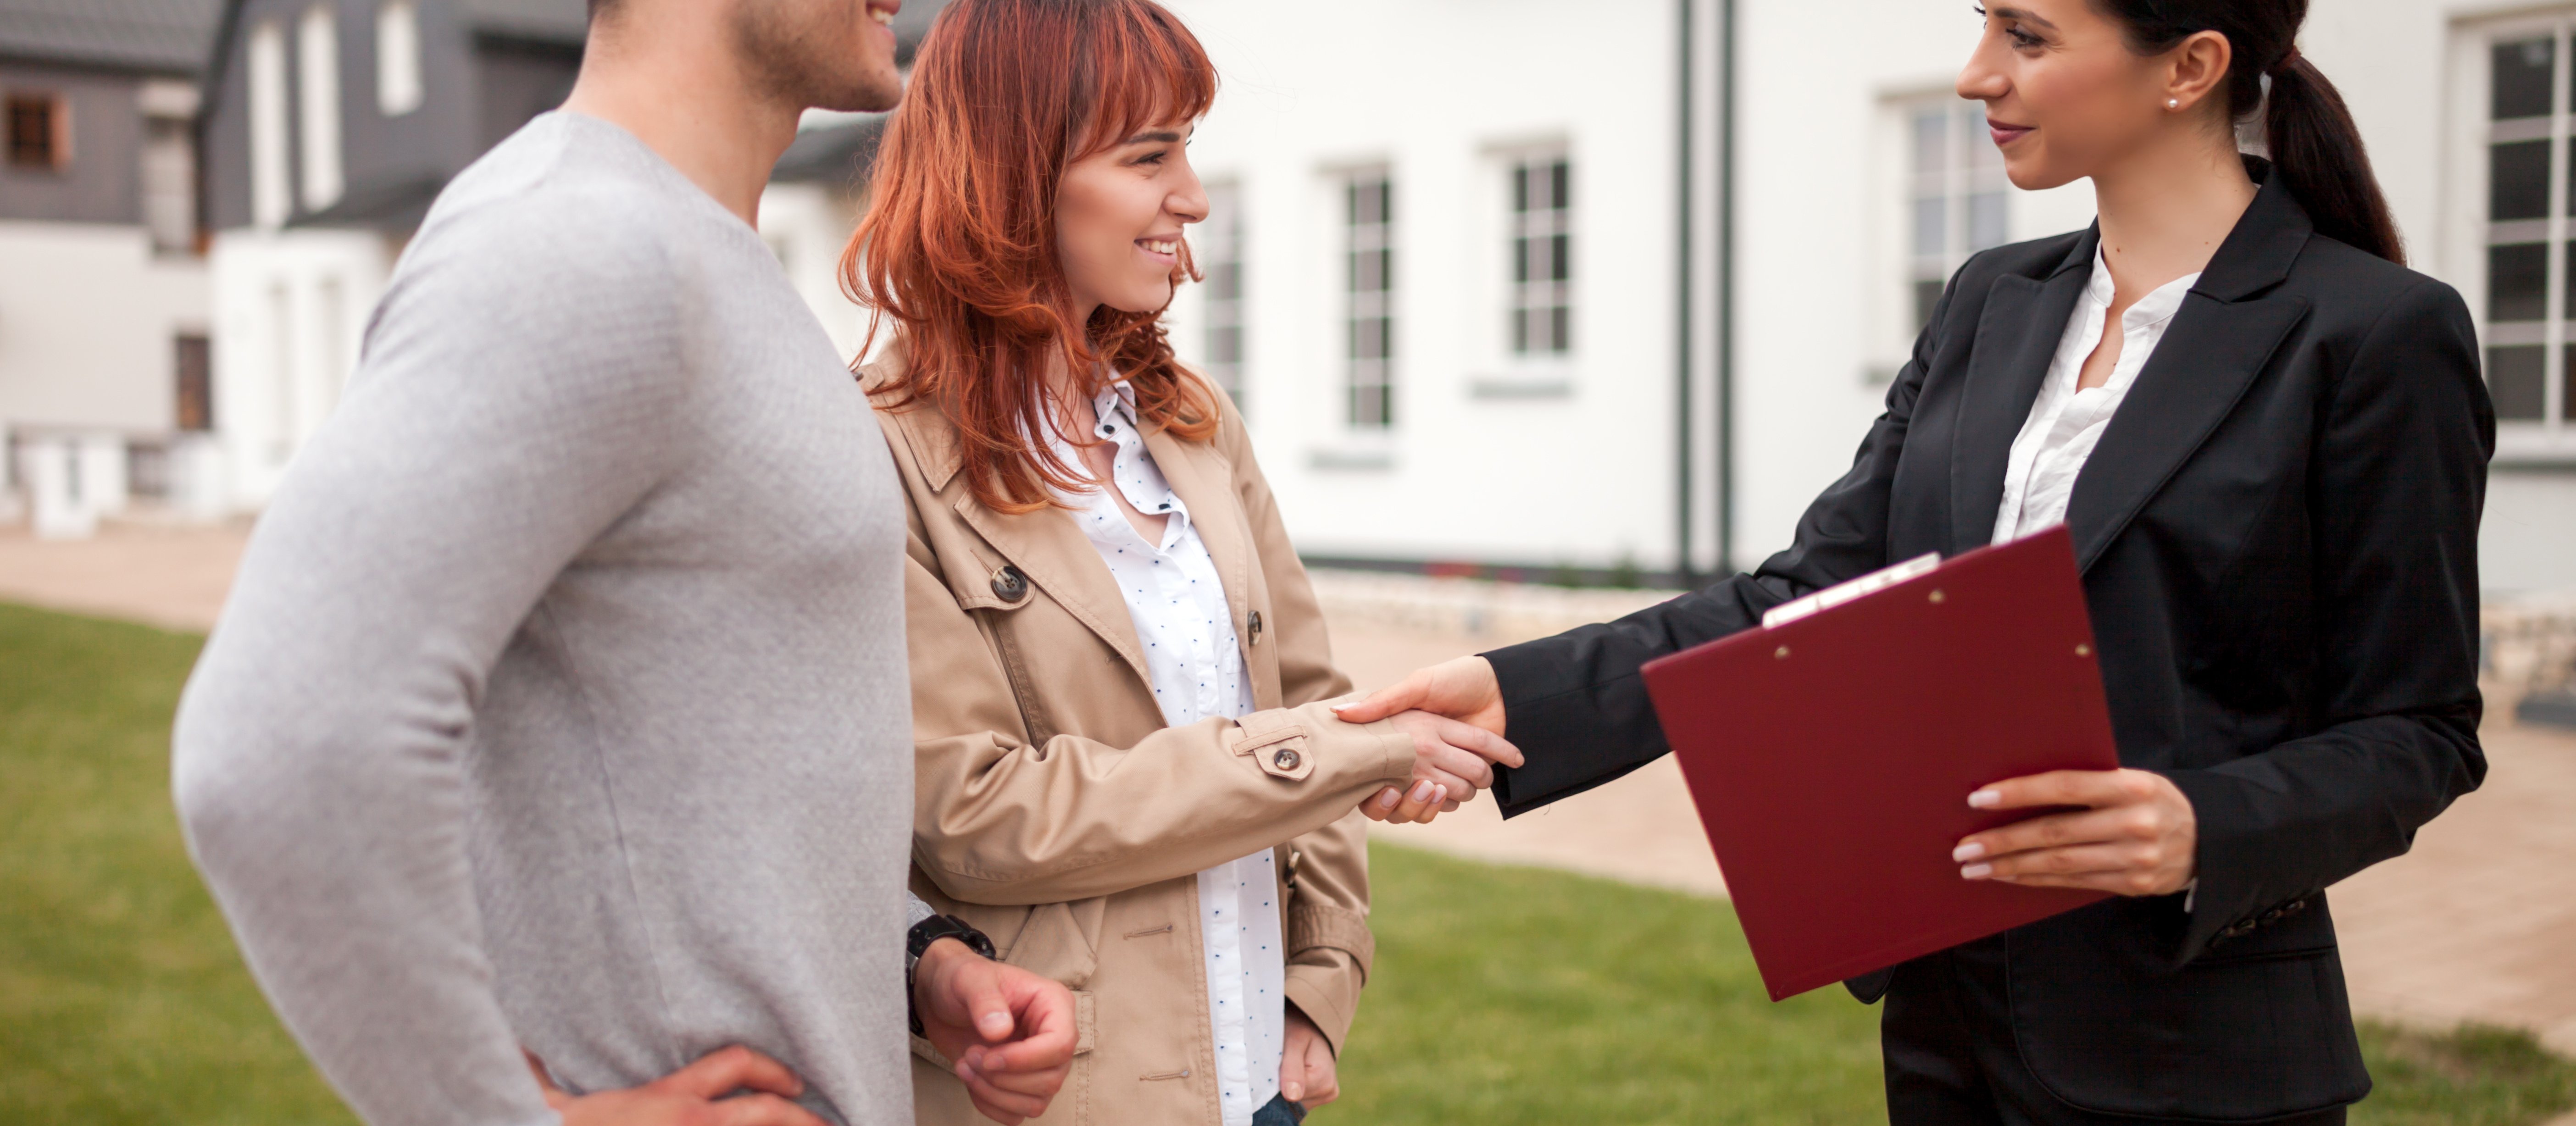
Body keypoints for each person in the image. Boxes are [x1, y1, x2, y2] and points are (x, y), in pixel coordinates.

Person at [1340, 1, 2493, 1122]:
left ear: (2188, 65)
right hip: (1948, 1031)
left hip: (2198, 1054)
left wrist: (2207, 825)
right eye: (1984, 24)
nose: (1975, 72)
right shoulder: (1994, 301)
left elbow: (2420, 727)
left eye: (2026, 35)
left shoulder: (2376, 335)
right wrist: (1514, 694)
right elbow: (1810, 595)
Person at [170, 1, 1077, 1124]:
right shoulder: (578, 246)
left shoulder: (703, 260)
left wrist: (915, 958)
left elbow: (697, 770)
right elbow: (277, 747)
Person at [842, 2, 1522, 1123]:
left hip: (1262, 1080)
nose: (1193, 197)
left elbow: (1310, 698)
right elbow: (972, 814)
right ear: (1016, 174)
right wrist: (1332, 754)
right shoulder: (880, 455)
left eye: (1188, 150)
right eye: (1150, 155)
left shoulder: (1192, 421)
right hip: (1069, 1092)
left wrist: (1322, 974)